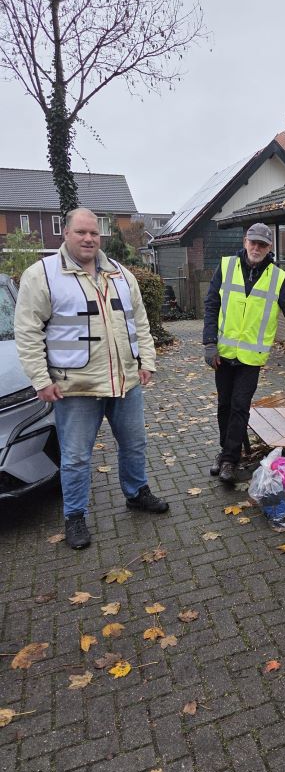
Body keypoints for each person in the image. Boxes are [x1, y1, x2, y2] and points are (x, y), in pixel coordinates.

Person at [14, 208, 168, 549]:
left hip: (125, 382)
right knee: (77, 456)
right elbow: (27, 332)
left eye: (94, 233)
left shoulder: (121, 275)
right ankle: (75, 516)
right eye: (81, 232)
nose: (88, 239)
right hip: (76, 387)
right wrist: (41, 379)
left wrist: (147, 361)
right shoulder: (43, 275)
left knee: (135, 444)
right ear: (65, 234)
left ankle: (136, 492)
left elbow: (139, 322)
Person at [203, 222, 285, 484]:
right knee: (224, 405)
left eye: (262, 244)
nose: (256, 248)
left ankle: (229, 460)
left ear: (269, 247)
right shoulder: (225, 267)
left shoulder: (277, 278)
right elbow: (212, 305)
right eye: (253, 242)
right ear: (245, 241)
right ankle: (225, 452)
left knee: (239, 406)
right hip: (223, 354)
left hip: (251, 358)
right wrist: (209, 343)